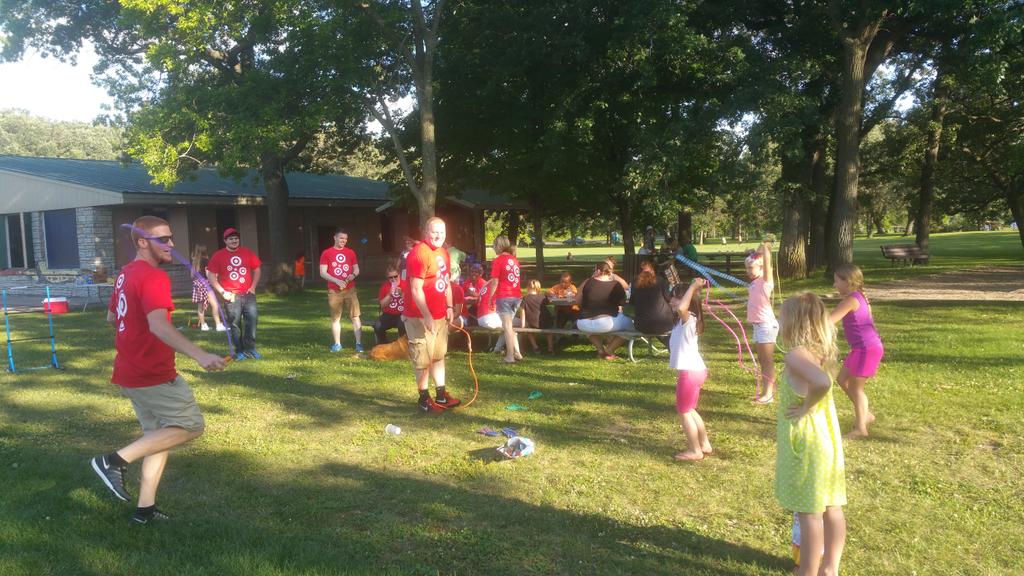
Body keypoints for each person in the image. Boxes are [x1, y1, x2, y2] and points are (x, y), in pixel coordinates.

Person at [92, 215, 227, 524]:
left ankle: (145, 510)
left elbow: (112, 318)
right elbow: (159, 326)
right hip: (152, 373)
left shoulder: (126, 274)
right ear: (142, 242)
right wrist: (200, 355)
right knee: (191, 426)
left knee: (158, 435)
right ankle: (112, 461)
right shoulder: (153, 277)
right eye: (163, 239)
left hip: (130, 370)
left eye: (171, 238)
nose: (171, 245)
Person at [775, 292, 846, 576]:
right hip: (826, 439)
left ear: (793, 323)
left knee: (809, 513)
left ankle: (808, 572)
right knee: (832, 506)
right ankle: (830, 569)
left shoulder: (795, 355)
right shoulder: (820, 351)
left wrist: (805, 406)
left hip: (805, 443)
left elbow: (821, 381)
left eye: (781, 316)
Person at [404, 217, 460, 412]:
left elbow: (446, 282)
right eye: (434, 232)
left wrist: (450, 307)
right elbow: (416, 289)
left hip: (440, 315)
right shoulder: (418, 254)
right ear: (426, 232)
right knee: (422, 358)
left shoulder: (444, 253)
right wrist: (426, 314)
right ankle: (424, 399)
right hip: (419, 316)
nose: (438, 236)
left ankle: (442, 396)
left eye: (442, 232)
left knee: (438, 355)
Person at [829, 263, 884, 439]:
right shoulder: (859, 296)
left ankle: (861, 429)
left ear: (848, 282)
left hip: (867, 349)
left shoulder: (851, 300)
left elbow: (829, 321)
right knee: (842, 379)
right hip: (860, 348)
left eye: (837, 281)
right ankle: (865, 414)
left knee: (856, 387)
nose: (834, 285)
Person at [669, 278, 711, 462]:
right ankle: (704, 443)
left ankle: (695, 450)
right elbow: (679, 309)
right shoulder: (681, 322)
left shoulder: (688, 319)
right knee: (690, 409)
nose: (671, 301)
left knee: (684, 411)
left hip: (690, 373)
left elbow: (681, 308)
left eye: (675, 298)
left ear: (688, 301)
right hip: (695, 371)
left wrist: (693, 286)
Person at [207, 227, 262, 360]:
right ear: (225, 241)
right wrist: (222, 291)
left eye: (236, 238)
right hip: (231, 296)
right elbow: (210, 275)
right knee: (235, 324)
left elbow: (257, 269)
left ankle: (250, 348)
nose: (234, 241)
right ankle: (239, 351)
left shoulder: (247, 253)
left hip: (248, 294)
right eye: (231, 239)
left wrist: (253, 287)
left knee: (252, 320)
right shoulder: (218, 255)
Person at [576, 259, 633, 359]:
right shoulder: (616, 284)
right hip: (605, 323)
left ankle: (600, 350)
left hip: (582, 323)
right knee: (631, 325)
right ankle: (609, 351)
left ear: (597, 271)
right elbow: (623, 302)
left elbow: (577, 300)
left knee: (589, 329)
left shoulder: (587, 282)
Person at [319, 228, 364, 353]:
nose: (343, 241)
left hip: (350, 289)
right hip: (334, 291)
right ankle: (337, 344)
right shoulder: (326, 253)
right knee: (335, 318)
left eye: (345, 239)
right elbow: (322, 272)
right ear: (335, 238)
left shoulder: (351, 252)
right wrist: (336, 281)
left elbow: (356, 270)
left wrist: (352, 276)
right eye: (341, 238)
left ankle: (359, 343)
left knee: (355, 316)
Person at [746, 242, 777, 403]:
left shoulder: (766, 282)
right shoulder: (755, 283)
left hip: (766, 325)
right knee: (763, 361)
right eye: (747, 268)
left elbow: (767, 260)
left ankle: (768, 394)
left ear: (761, 268)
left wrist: (764, 248)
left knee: (767, 361)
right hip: (758, 325)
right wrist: (754, 254)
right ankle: (769, 389)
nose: (748, 271)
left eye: (751, 268)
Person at [486, 235, 522, 363]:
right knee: (509, 326)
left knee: (507, 327)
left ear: (499, 246)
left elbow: (495, 282)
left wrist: (490, 297)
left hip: (504, 296)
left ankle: (510, 356)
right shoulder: (514, 259)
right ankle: (517, 353)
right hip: (516, 296)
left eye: (494, 245)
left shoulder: (498, 260)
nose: (493, 248)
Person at [630, 260, 675, 339]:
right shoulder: (661, 281)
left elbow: (632, 302)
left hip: (642, 325)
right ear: (653, 271)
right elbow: (669, 299)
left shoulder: (635, 282)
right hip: (663, 324)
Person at [189, 243, 224, 332]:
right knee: (215, 305)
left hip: (197, 284)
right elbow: (208, 274)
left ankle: (203, 325)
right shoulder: (206, 261)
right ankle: (218, 325)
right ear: (205, 251)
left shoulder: (194, 261)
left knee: (200, 307)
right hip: (205, 284)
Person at [373, 262, 406, 345]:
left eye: (395, 276)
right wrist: (389, 295)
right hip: (389, 314)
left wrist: (402, 294)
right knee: (377, 326)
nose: (393, 279)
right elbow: (382, 305)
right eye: (390, 277)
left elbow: (410, 303)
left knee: (402, 325)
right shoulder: (385, 286)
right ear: (387, 278)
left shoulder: (405, 284)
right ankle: (384, 344)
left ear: (399, 275)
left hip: (403, 313)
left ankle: (403, 346)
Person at [520, 279, 554, 353]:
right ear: (539, 288)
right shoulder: (543, 297)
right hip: (545, 322)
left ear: (527, 288)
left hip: (533, 323)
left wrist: (522, 325)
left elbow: (522, 312)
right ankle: (550, 347)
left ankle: (535, 347)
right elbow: (551, 300)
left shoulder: (525, 298)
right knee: (549, 330)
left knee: (529, 331)